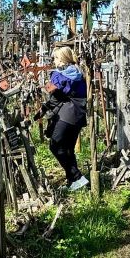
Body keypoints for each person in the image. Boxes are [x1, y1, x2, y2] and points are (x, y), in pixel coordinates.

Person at [37, 46, 89, 191]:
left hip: (67, 114)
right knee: (68, 149)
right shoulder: (78, 72)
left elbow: (55, 98)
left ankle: (77, 177)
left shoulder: (60, 75)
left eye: (55, 58)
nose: (54, 61)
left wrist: (44, 109)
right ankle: (74, 182)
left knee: (55, 145)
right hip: (78, 115)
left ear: (62, 59)